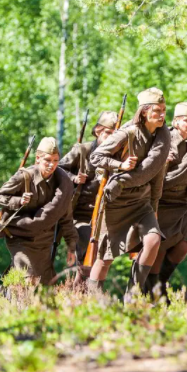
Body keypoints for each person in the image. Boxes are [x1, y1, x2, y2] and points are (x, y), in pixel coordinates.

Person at [88, 88, 170, 296]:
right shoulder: (127, 132)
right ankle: (93, 302)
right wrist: (120, 165)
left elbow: (155, 174)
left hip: (142, 201)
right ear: (144, 111)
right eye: (156, 110)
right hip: (116, 201)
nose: (161, 114)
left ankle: (132, 294)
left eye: (163, 110)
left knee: (153, 240)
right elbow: (96, 157)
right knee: (105, 257)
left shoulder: (163, 136)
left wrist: (155, 207)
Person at [0, 137, 77, 285]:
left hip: (44, 241)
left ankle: (9, 301)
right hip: (18, 235)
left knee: (45, 283)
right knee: (27, 279)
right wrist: (18, 201)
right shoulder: (25, 177)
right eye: (48, 160)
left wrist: (71, 246)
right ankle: (17, 305)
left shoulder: (63, 184)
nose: (52, 165)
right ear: (38, 159)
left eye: (56, 160)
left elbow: (66, 217)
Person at [149, 102, 187, 295]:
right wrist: (163, 163)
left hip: (182, 202)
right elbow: (147, 171)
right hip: (160, 201)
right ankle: (153, 292)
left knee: (183, 245)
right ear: (176, 121)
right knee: (158, 249)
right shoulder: (162, 138)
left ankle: (160, 283)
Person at [58, 111, 117, 283]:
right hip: (78, 214)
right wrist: (74, 179)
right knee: (86, 240)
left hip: (103, 216)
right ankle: (77, 287)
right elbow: (58, 170)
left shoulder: (117, 156)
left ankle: (82, 290)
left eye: (115, 135)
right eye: (108, 133)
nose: (112, 138)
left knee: (102, 254)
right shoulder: (82, 150)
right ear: (98, 131)